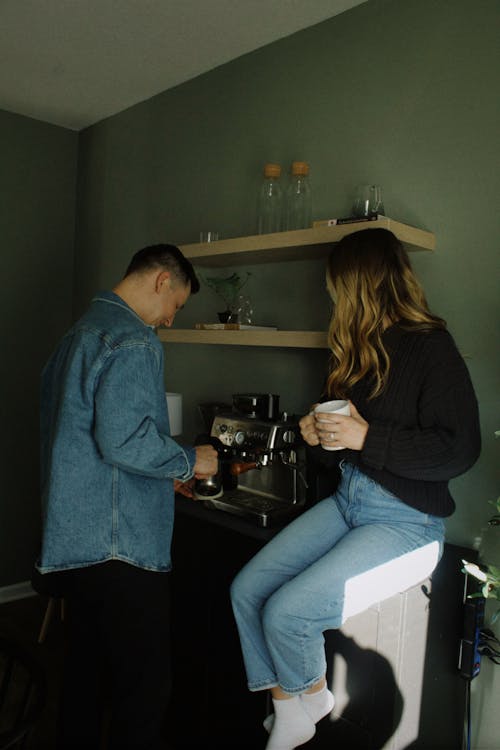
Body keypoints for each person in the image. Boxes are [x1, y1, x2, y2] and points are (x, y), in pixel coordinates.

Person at [230, 228, 481, 750]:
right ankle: (291, 705)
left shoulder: (431, 347)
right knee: (247, 590)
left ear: (362, 284)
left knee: (287, 612)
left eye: (336, 286)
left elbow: (460, 450)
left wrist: (369, 436)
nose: (331, 297)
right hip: (349, 500)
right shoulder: (354, 350)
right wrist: (315, 434)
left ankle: (311, 698)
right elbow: (338, 448)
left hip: (407, 520)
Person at [36, 243, 218, 750]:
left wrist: (161, 474)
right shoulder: (133, 340)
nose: (167, 319)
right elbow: (123, 439)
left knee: (84, 681)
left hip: (76, 540)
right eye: (175, 306)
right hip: (121, 549)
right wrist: (190, 460)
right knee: (144, 690)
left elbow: (80, 440)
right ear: (163, 281)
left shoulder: (76, 335)